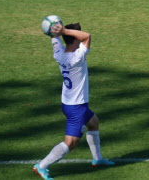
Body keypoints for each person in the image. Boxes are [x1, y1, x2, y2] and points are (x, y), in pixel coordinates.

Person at [33, 22, 114, 180]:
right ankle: (41, 166)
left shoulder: (59, 53)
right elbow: (87, 36)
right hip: (77, 107)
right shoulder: (77, 57)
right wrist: (63, 30)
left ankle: (97, 158)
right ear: (75, 39)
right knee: (70, 143)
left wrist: (56, 31)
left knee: (93, 122)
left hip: (69, 103)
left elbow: (54, 37)